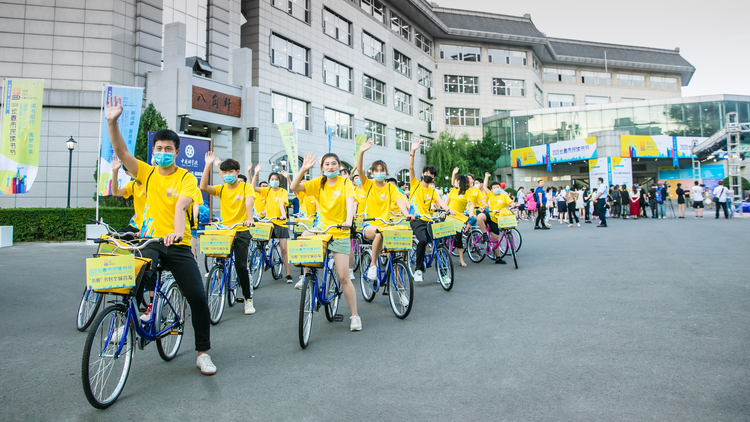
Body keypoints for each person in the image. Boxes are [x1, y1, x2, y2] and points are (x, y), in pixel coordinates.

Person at [105, 95, 216, 375]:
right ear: (153, 151)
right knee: (132, 276)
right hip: (151, 241)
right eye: (158, 148)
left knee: (198, 298)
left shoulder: (186, 178)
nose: (162, 152)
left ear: (176, 152)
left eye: (168, 148)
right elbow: (121, 152)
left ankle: (203, 352)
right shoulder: (147, 173)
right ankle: (127, 319)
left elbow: (182, 204)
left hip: (177, 243)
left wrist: (179, 232)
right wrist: (112, 122)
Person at [290, 151, 362, 331]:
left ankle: (355, 315)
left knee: (343, 276)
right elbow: (294, 186)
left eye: (334, 163)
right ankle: (306, 275)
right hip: (321, 228)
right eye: (327, 164)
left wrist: (348, 221)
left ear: (339, 166)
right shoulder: (318, 183)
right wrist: (304, 169)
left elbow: (350, 202)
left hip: (340, 231)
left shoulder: (345, 182)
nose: (330, 167)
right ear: (322, 168)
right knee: (304, 237)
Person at [199, 152, 256, 314]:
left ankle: (248, 299)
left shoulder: (246, 187)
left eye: (231, 172)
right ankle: (218, 278)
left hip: (241, 230)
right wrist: (207, 164)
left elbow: (248, 204)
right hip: (224, 231)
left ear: (237, 172)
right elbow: (203, 187)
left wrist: (249, 219)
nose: (228, 175)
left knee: (241, 266)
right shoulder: (221, 189)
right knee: (218, 259)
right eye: (224, 173)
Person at [356, 139, 412, 284]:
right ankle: (373, 264)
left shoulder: (391, 188)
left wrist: (406, 214)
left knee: (396, 258)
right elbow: (360, 170)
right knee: (379, 233)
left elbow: (399, 201)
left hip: (387, 225)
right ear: (372, 172)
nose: (379, 173)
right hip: (369, 226)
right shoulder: (368, 185)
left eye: (382, 170)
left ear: (386, 172)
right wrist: (361, 152)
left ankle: (400, 292)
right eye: (377, 171)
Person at [408, 138, 455, 282]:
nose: (429, 176)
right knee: (422, 240)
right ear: (423, 174)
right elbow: (410, 168)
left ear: (434, 178)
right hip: (416, 220)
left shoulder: (433, 191)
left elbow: (441, 202)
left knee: (439, 242)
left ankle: (444, 273)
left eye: (432, 175)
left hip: (429, 220)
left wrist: (448, 209)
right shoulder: (415, 184)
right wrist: (413, 151)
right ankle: (418, 270)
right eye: (427, 173)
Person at [252, 165, 293, 283]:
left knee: (284, 249)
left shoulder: (283, 191)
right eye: (272, 179)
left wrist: (283, 215)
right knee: (261, 243)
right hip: (268, 223)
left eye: (276, 179)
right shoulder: (267, 190)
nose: (273, 181)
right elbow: (253, 188)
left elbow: (281, 204)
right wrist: (255, 173)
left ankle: (288, 274)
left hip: (280, 222)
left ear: (279, 182)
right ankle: (262, 261)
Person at [478, 173, 514, 264]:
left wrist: (516, 205)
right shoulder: (491, 195)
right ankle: (484, 234)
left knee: (495, 239)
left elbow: (511, 203)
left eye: (498, 187)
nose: (496, 189)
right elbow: (485, 187)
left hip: (498, 218)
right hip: (490, 214)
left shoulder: (504, 196)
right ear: (491, 190)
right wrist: (486, 177)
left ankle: (498, 258)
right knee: (480, 217)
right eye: (494, 188)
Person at [110, 155, 145, 235]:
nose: (136, 171)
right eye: (132, 169)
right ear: (127, 173)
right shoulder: (132, 185)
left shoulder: (149, 183)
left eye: (138, 167)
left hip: (148, 226)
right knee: (109, 238)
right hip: (135, 225)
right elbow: (115, 192)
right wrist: (115, 171)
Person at [447, 171, 474, 267]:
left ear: (460, 182)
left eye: (457, 180)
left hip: (458, 218)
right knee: (444, 237)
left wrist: (471, 213)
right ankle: (444, 257)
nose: (455, 182)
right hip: (448, 216)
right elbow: (446, 202)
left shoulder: (466, 192)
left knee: (458, 238)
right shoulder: (453, 190)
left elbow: (470, 204)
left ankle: (461, 259)